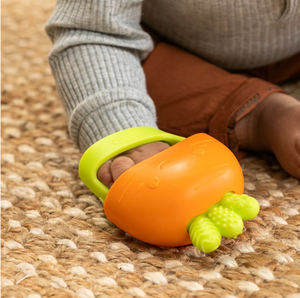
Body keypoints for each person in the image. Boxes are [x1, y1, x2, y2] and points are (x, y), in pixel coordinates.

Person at [45, 0, 300, 188]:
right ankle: (261, 116)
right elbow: (92, 32)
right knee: (111, 78)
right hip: (165, 51)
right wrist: (130, 134)